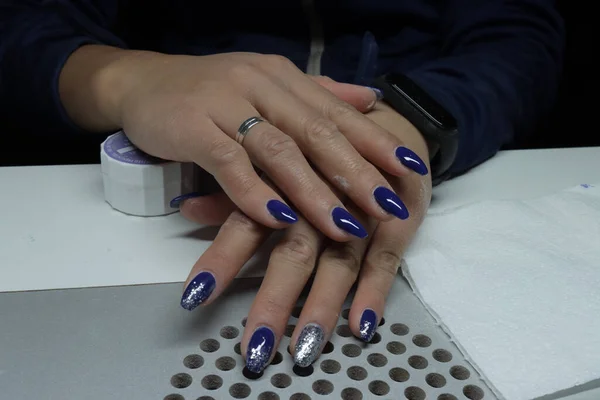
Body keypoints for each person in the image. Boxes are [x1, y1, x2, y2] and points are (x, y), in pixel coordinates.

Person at [0, 1, 564, 373]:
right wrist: (125, 76)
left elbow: (518, 39)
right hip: (185, 162)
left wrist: (410, 122)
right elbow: (22, 24)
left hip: (397, 139)